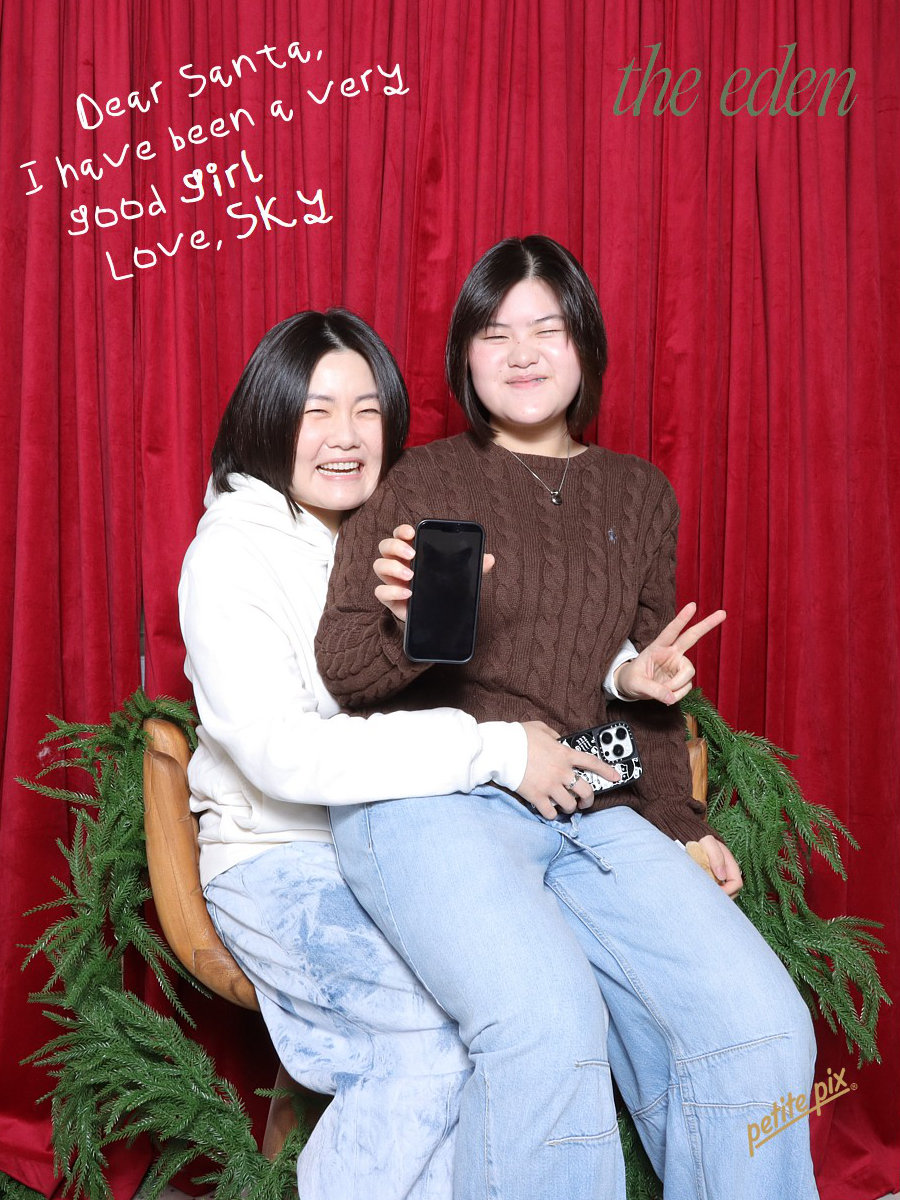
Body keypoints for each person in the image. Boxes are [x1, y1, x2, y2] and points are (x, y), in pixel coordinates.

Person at [316, 237, 819, 1200]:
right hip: (437, 797)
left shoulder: (640, 493)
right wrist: (415, 631)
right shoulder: (418, 480)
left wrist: (678, 813)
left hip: (590, 799)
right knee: (549, 1025)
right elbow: (344, 668)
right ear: (465, 354)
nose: (522, 353)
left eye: (546, 328)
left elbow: (640, 688)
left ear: (584, 343)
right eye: (495, 332)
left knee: (761, 1027)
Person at [177, 307, 619, 1200]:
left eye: (367, 410)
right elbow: (284, 754)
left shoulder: (379, 539)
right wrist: (491, 749)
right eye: (316, 411)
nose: (346, 437)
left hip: (400, 843)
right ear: (267, 417)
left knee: (508, 1011)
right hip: (282, 859)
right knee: (422, 1043)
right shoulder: (229, 556)